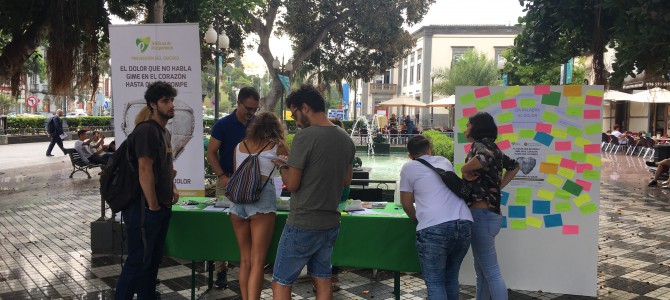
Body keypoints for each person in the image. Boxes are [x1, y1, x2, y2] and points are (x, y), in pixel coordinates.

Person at [271, 85, 355, 300]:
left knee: (281, 282)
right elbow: (346, 180)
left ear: (305, 107)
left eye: (293, 113)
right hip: (330, 222)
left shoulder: (304, 137)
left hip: (303, 222)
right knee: (323, 278)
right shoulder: (345, 138)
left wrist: (282, 165)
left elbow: (292, 185)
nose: (294, 119)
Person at [115, 81, 179, 299]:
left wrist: (172, 187)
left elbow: (165, 167)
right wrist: (152, 206)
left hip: (159, 206)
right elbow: (144, 169)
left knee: (151, 260)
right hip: (143, 208)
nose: (171, 105)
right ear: (153, 104)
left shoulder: (164, 132)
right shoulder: (146, 131)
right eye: (165, 101)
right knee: (137, 261)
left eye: (171, 100)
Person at [399, 134, 473, 299]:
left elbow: (406, 204)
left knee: (435, 282)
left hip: (434, 227)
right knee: (451, 278)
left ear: (410, 155)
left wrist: (418, 219)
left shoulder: (409, 167)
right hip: (464, 223)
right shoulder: (444, 162)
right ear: (429, 149)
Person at [461, 111, 519, 300]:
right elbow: (515, 166)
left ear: (476, 128)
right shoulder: (494, 148)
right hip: (491, 215)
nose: (465, 129)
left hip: (481, 216)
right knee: (483, 271)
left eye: (468, 125)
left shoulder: (480, 146)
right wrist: (498, 187)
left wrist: (464, 168)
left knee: (491, 272)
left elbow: (483, 159)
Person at [206, 86, 261, 289]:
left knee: (248, 227)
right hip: (228, 182)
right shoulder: (223, 125)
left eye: (255, 109)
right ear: (238, 103)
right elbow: (211, 152)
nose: (252, 113)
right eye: (248, 108)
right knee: (224, 227)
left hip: (252, 184)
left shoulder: (257, 124)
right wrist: (221, 177)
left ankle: (243, 271)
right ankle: (221, 270)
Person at [230, 111, 288, 300]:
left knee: (244, 260)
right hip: (262, 202)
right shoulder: (277, 146)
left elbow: (237, 174)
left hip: (237, 204)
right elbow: (290, 172)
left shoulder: (239, 146)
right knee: (257, 262)